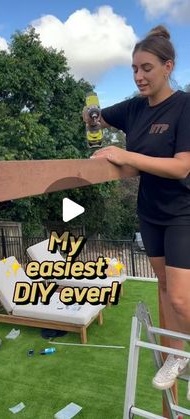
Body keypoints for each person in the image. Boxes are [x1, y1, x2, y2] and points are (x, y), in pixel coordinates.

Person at [84, 25, 190, 393]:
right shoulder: (133, 108)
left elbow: (182, 166)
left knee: (179, 296)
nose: (139, 76)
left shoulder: (185, 106)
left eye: (146, 68)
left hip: (182, 211)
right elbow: (99, 117)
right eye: (134, 69)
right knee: (162, 286)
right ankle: (176, 355)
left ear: (168, 67)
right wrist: (92, 116)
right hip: (150, 212)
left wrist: (125, 154)